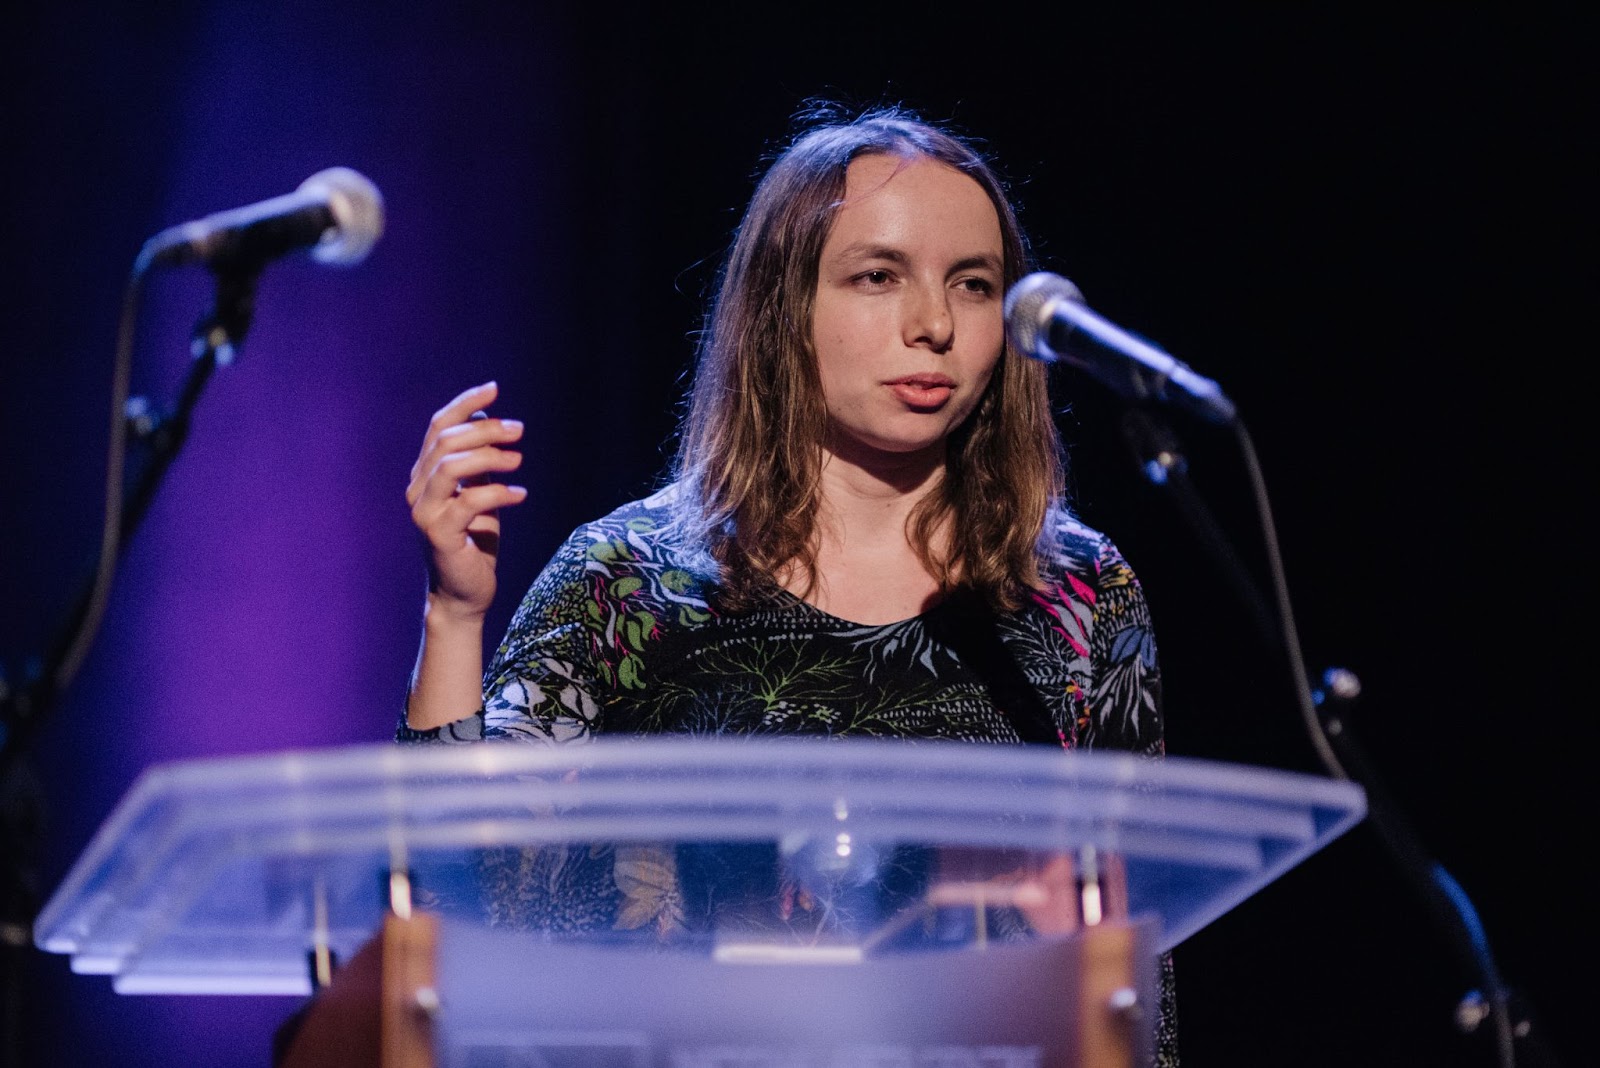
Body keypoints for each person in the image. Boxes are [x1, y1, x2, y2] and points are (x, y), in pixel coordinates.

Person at [399, 103, 1174, 1063]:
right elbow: (457, 904)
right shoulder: (630, 578)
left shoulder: (1079, 591)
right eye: (878, 277)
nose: (933, 325)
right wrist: (455, 612)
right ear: (783, 306)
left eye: (973, 286)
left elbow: (1133, 974)